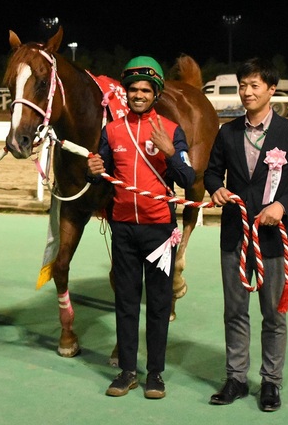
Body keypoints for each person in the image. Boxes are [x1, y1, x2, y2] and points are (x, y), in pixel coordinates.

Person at [204, 58, 288, 412]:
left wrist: (282, 206)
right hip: (234, 236)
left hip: (272, 239)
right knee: (235, 311)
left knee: (273, 314)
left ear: (271, 89)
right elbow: (212, 173)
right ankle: (236, 378)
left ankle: (271, 382)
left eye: (254, 85)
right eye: (243, 85)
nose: (247, 92)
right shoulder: (227, 132)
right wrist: (215, 189)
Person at [87, 56, 195, 399]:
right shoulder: (111, 131)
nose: (138, 95)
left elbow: (188, 178)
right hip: (123, 229)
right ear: (127, 92)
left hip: (160, 231)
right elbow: (102, 175)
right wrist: (94, 170)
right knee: (126, 301)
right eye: (133, 89)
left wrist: (171, 152)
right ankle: (127, 371)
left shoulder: (171, 131)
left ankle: (156, 374)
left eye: (146, 90)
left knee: (159, 304)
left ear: (156, 93)